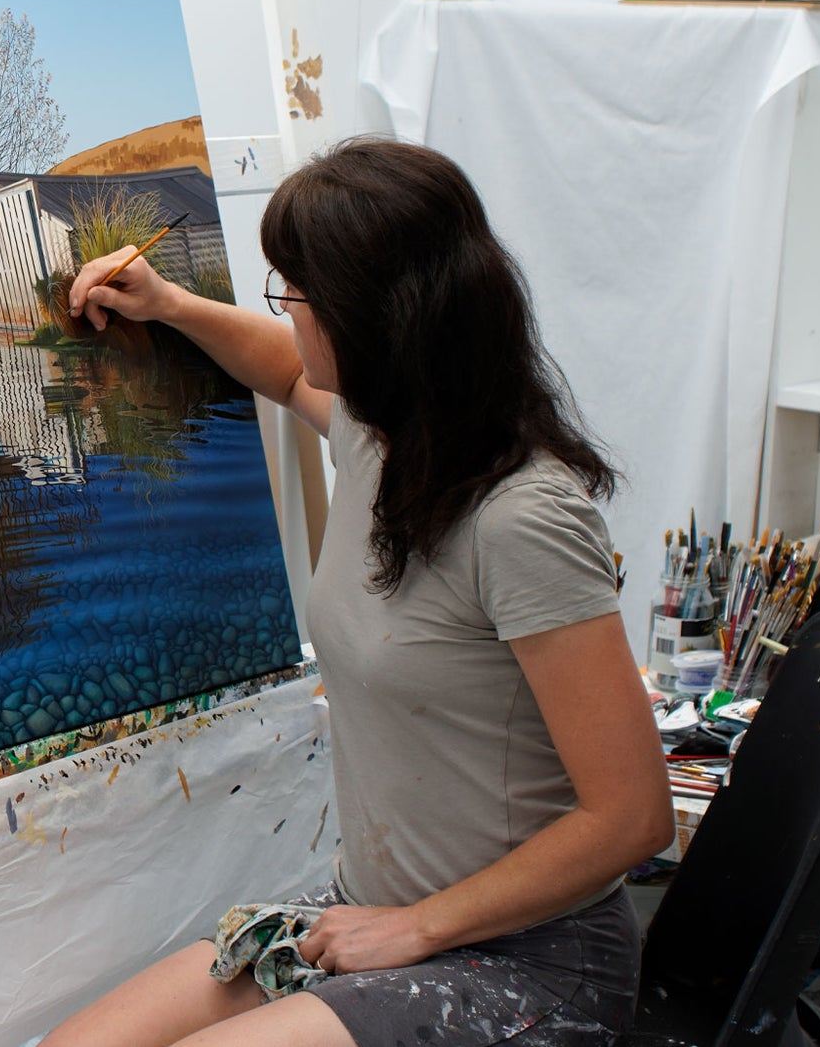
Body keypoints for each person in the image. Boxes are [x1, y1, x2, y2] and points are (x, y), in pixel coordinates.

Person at [44, 138, 673, 1047]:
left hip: (529, 962)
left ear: (373, 314)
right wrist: (172, 305)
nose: (288, 313)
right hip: (375, 915)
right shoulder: (388, 433)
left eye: (295, 292)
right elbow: (290, 372)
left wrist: (417, 926)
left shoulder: (521, 517)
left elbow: (634, 816)